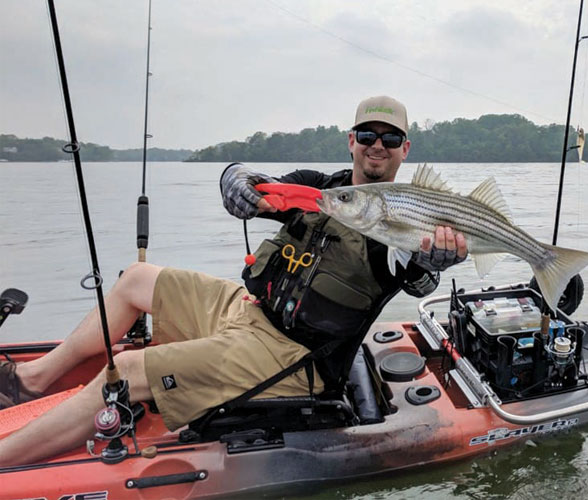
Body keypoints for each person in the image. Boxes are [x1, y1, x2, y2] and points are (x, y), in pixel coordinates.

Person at [0, 95, 468, 466]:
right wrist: (235, 179)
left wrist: (434, 263)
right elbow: (255, 181)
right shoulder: (321, 187)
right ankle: (31, 380)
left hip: (294, 359)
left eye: (390, 138)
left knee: (129, 371)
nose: (377, 145)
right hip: (250, 310)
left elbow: (417, 282)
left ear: (405, 149)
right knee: (136, 279)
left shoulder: (406, 224)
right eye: (367, 134)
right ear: (351, 140)